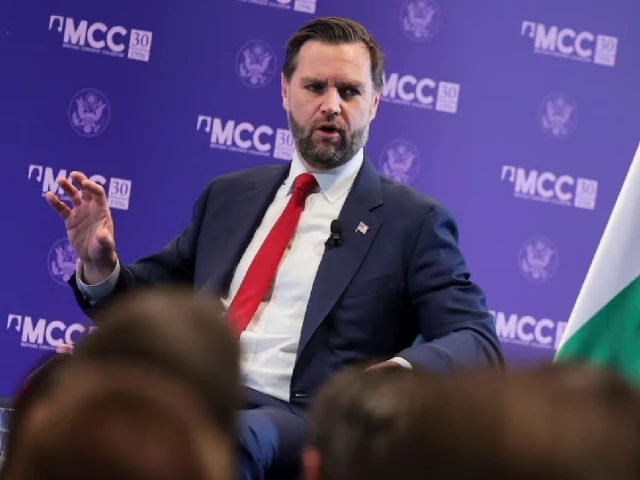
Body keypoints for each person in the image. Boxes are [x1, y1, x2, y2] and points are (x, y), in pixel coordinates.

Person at [46, 16, 503, 480]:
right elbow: (146, 303)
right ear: (285, 91)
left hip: (304, 417)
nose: (331, 106)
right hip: (195, 391)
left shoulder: (413, 221)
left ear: (375, 103)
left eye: (349, 91)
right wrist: (100, 265)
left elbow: (477, 339)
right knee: (62, 391)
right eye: (315, 87)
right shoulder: (228, 196)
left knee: (227, 438)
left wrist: (396, 373)